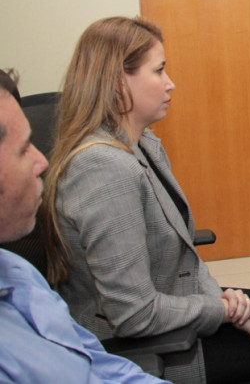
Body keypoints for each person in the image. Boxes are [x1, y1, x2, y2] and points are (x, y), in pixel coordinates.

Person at [40, 18, 250, 384]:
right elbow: (133, 315)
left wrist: (235, 309)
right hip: (146, 346)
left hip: (178, 305)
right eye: (159, 70)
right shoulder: (102, 168)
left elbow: (185, 261)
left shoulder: (142, 143)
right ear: (118, 82)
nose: (170, 82)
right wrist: (223, 310)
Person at [0, 69, 167, 383]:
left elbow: (99, 364)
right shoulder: (102, 167)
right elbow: (134, 313)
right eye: (23, 149)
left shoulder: (17, 273)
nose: (43, 162)